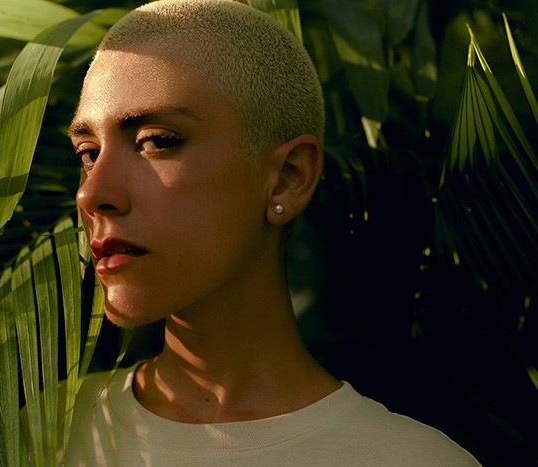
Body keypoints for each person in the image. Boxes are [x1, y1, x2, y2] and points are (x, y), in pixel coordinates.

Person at [64, 0, 480, 464]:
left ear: (288, 177)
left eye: (157, 141)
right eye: (87, 152)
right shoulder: (34, 437)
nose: (92, 193)